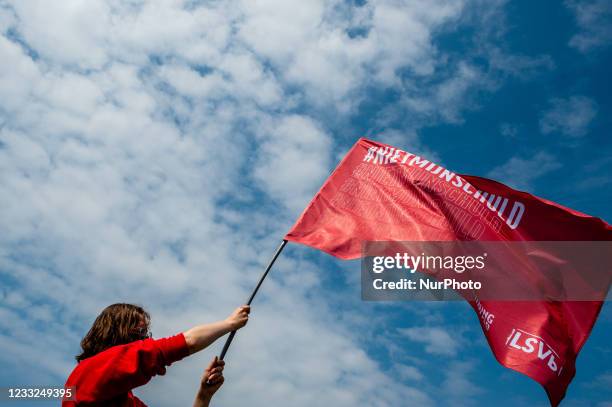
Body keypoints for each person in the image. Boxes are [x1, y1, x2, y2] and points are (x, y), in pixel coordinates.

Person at [62, 303, 250, 406]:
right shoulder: (89, 373)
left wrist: (203, 396)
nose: (145, 341)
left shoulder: (128, 402)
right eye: (140, 333)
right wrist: (229, 324)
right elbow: (185, 342)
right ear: (118, 333)